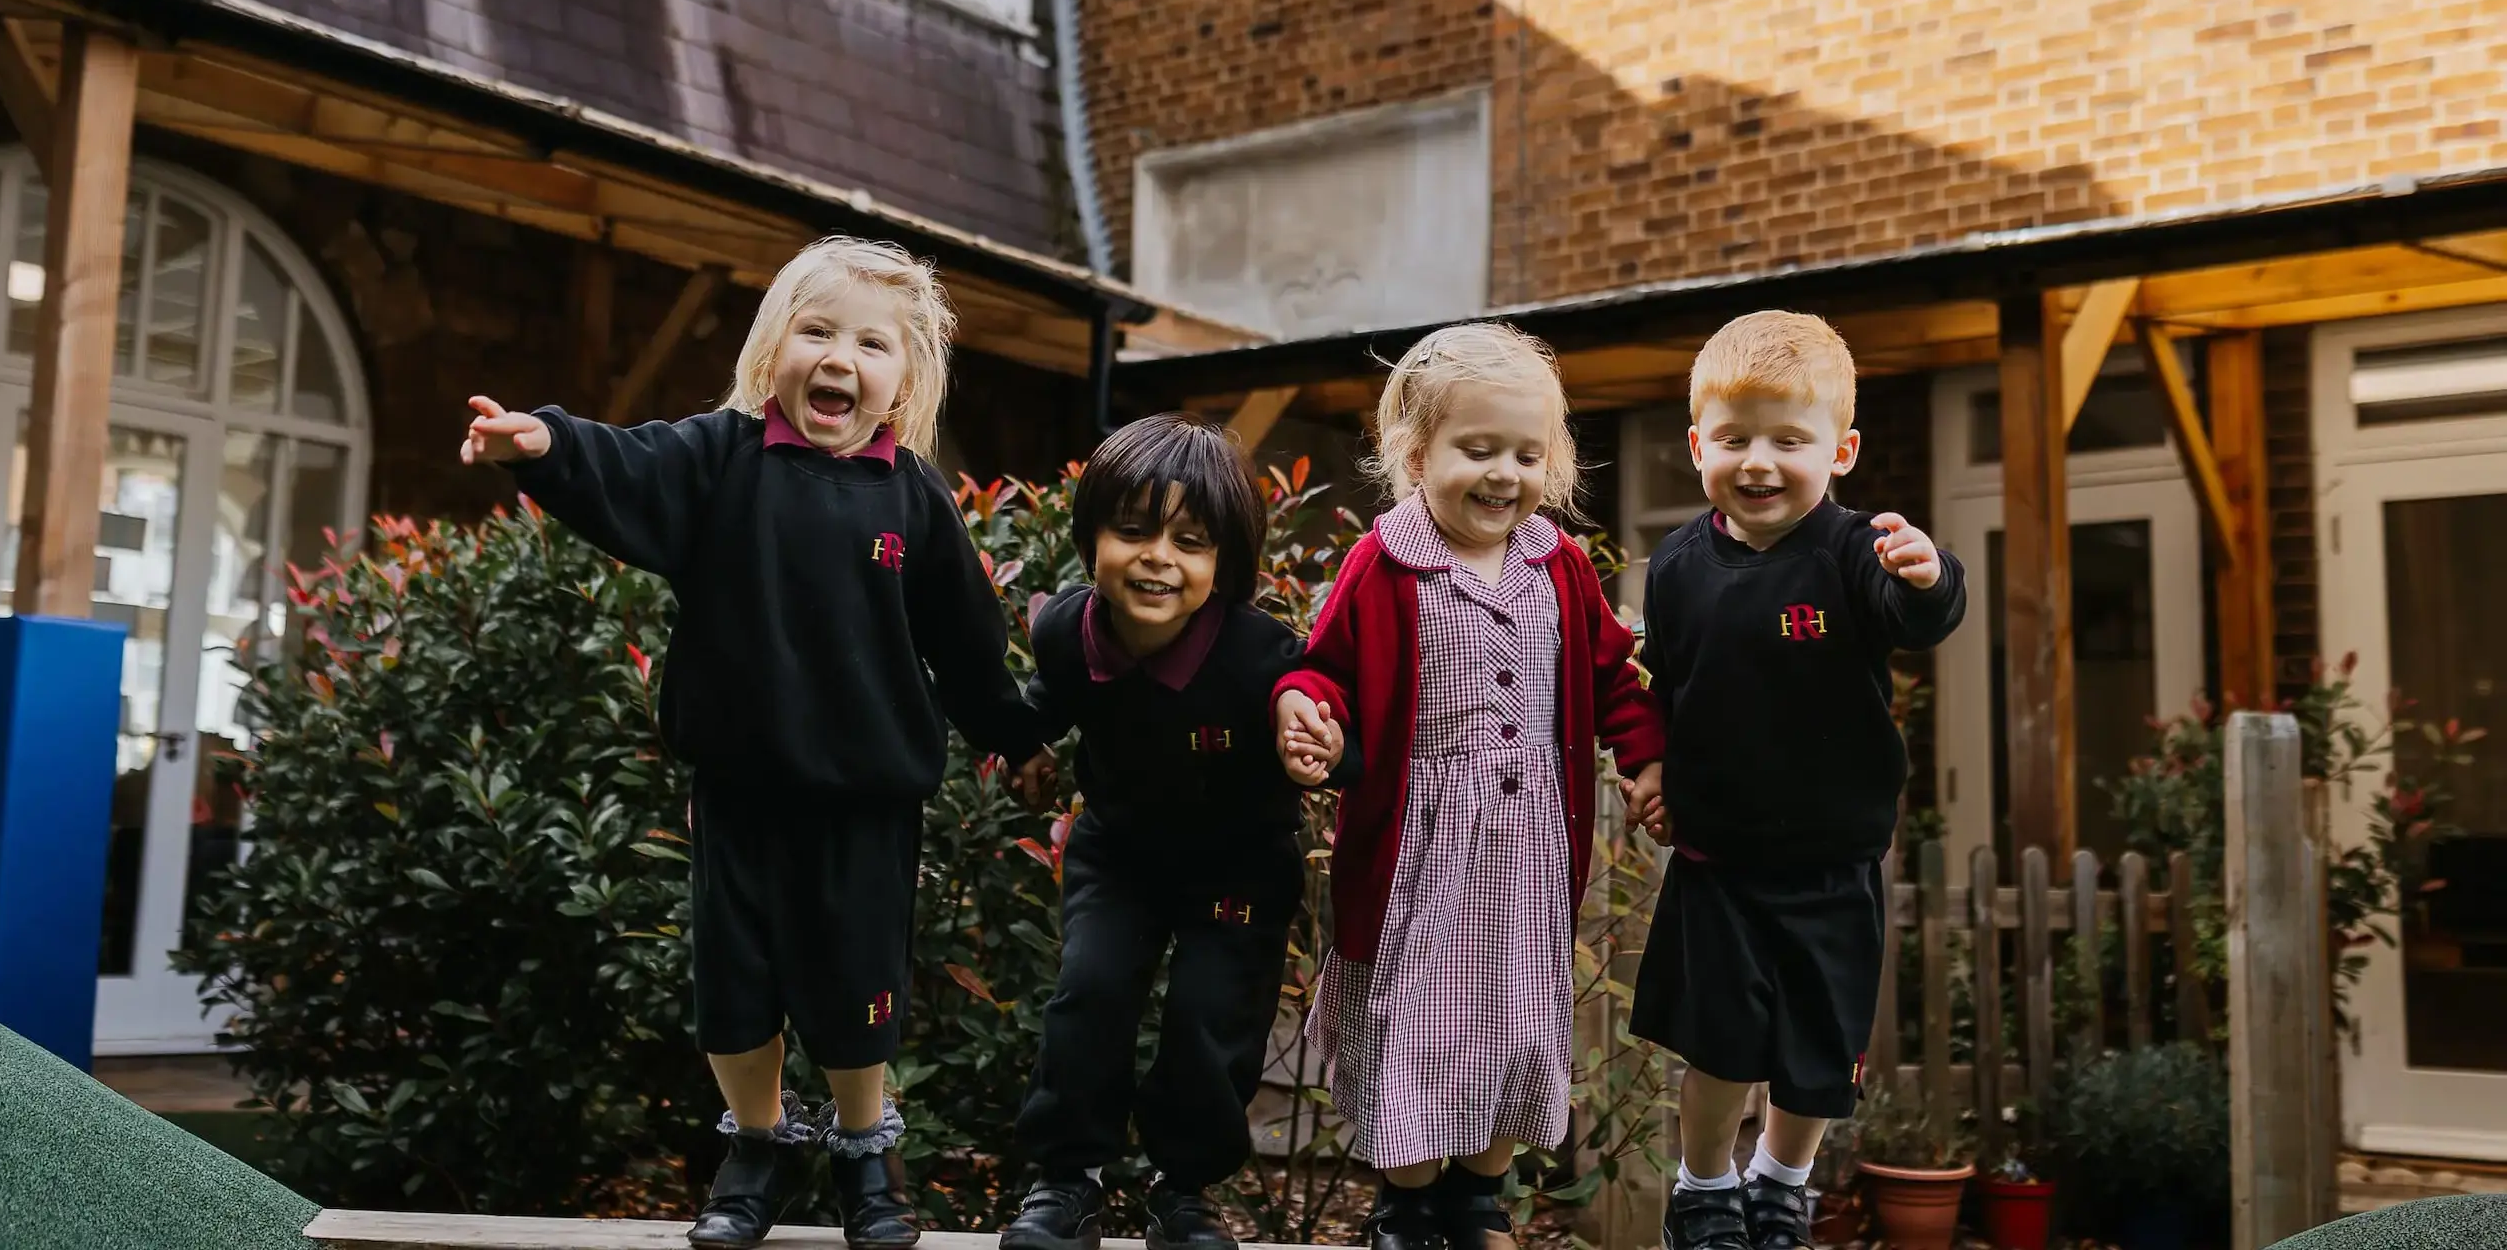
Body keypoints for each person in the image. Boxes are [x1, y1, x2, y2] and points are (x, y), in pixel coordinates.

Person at [459, 236, 1052, 1250]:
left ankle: (868, 1151)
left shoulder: (913, 496)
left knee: (857, 984)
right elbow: (624, 459)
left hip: (867, 799)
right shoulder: (720, 457)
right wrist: (542, 445)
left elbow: (967, 646)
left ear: (903, 377)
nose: (838, 357)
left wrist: (1027, 725)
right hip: (740, 785)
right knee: (734, 987)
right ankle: (759, 1142)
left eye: (870, 342)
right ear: (773, 349)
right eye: (815, 332)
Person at [1272, 323, 1663, 1250]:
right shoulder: (1387, 561)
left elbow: (1612, 678)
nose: (1505, 475)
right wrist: (1305, 710)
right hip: (1416, 856)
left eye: (1528, 455)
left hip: (1530, 855)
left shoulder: (1559, 565)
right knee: (1412, 1020)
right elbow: (1322, 667)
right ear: (1415, 456)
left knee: (1516, 1021)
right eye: (1477, 450)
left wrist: (1647, 760)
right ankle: (1407, 1205)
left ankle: (1478, 1200)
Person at [1623, 310, 1966, 1250]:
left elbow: (1919, 618)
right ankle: (1703, 1190)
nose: (1759, 462)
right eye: (1733, 439)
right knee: (1722, 1043)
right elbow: (1666, 686)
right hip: (1718, 857)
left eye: (1790, 439)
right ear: (1698, 445)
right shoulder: (1682, 568)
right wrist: (1649, 764)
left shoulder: (1855, 551)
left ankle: (1782, 1180)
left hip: (1832, 858)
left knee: (1818, 1053)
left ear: (1842, 451)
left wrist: (1931, 577)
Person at [1001, 414, 1337, 1250]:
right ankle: (1067, 1181)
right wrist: (1024, 742)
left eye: (1190, 541)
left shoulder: (1260, 656)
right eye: (1134, 530)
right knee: (1091, 991)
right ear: (1092, 540)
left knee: (1208, 1014)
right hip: (1119, 855)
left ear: (1224, 564)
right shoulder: (1065, 633)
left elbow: (1321, 715)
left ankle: (1182, 1191)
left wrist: (1317, 749)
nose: (1159, 558)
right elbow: (1057, 698)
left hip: (1239, 865)